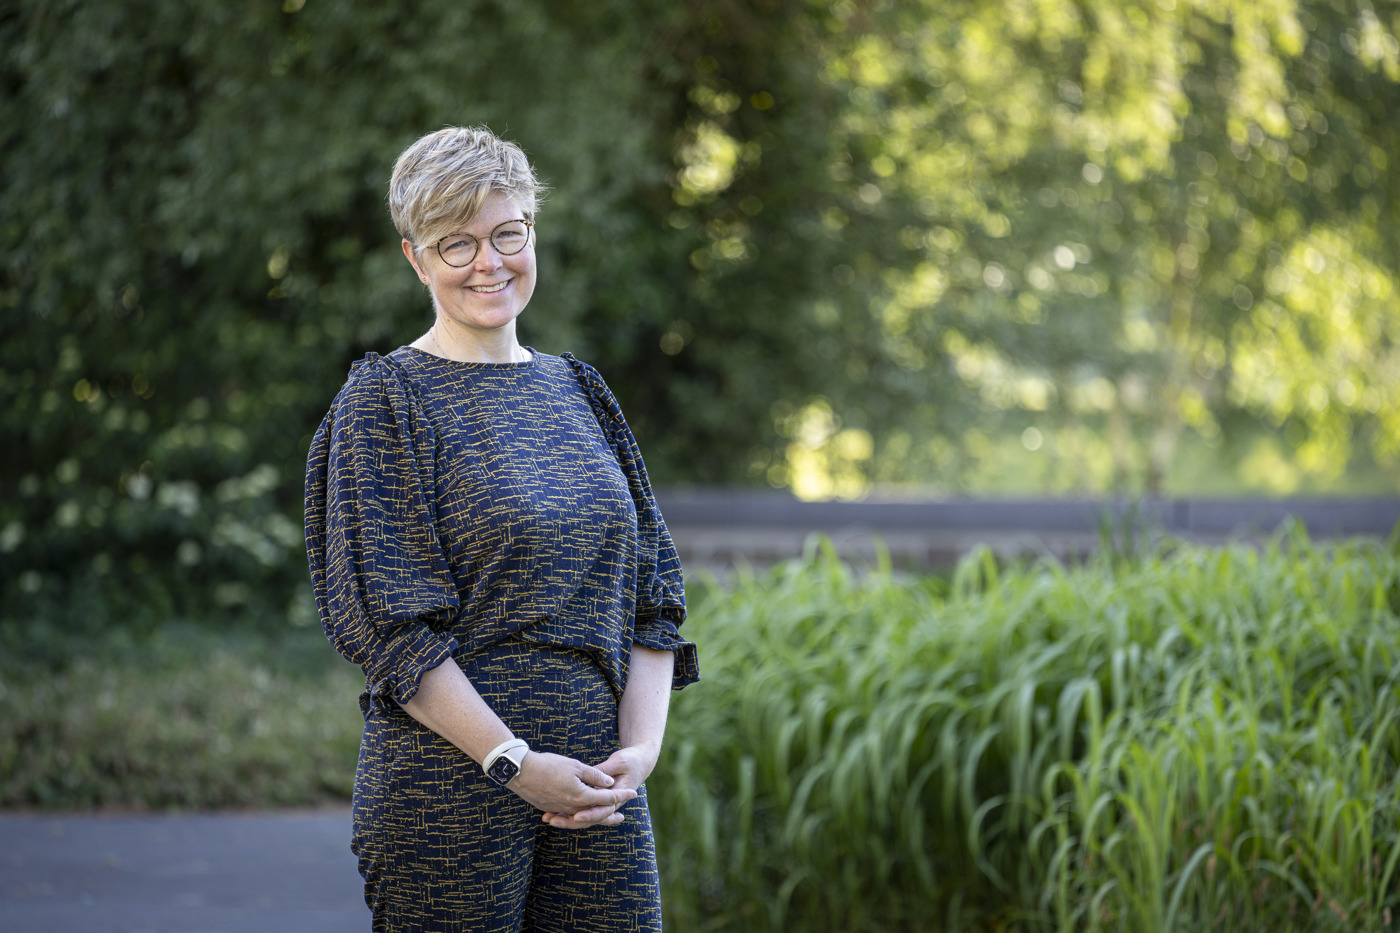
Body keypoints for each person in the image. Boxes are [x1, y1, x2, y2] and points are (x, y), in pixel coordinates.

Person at [303, 125, 699, 932]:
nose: (489, 263)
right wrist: (512, 761)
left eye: (506, 233)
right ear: (416, 259)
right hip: (449, 792)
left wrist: (640, 754)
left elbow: (653, 599)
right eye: (457, 244)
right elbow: (392, 630)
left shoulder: (581, 391)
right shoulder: (385, 401)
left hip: (600, 788)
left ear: (532, 231)